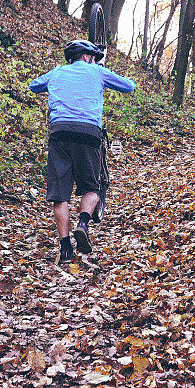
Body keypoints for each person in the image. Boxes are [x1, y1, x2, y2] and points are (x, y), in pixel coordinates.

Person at [29, 40, 135, 263]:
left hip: (59, 133)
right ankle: (83, 224)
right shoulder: (97, 71)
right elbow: (129, 86)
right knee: (91, 188)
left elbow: (33, 86)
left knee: (60, 194)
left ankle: (65, 249)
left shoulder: (57, 72)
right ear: (87, 57)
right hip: (88, 134)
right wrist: (101, 69)